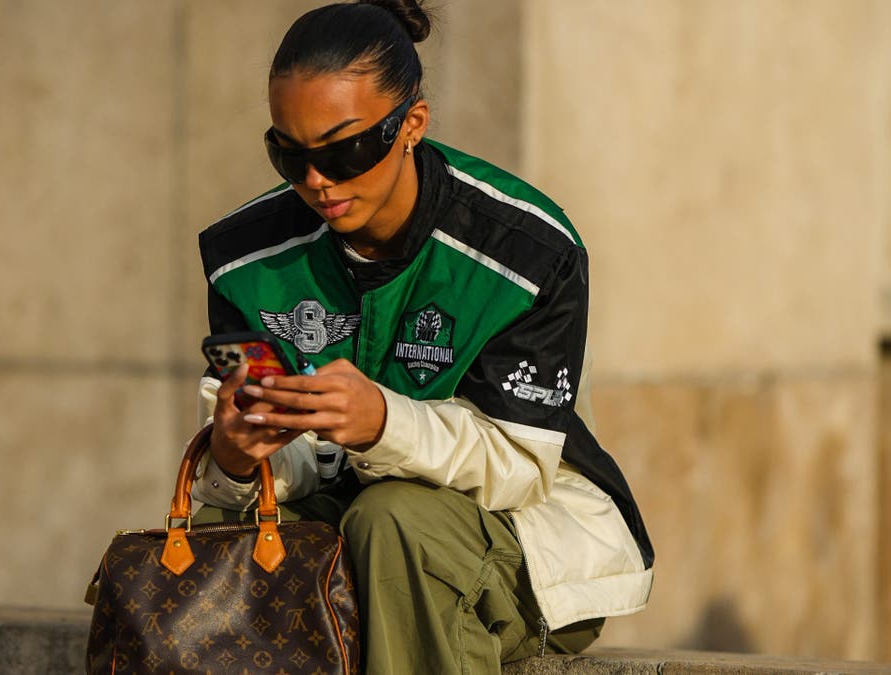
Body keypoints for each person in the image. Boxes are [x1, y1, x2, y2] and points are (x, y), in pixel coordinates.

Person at [190, 1, 654, 672]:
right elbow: (272, 475)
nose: (317, 181)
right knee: (220, 534)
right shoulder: (247, 257)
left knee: (393, 521)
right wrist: (235, 455)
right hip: (342, 521)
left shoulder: (526, 252)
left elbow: (519, 469)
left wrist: (382, 422)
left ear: (411, 124)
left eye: (345, 149)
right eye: (288, 154)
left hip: (518, 539)